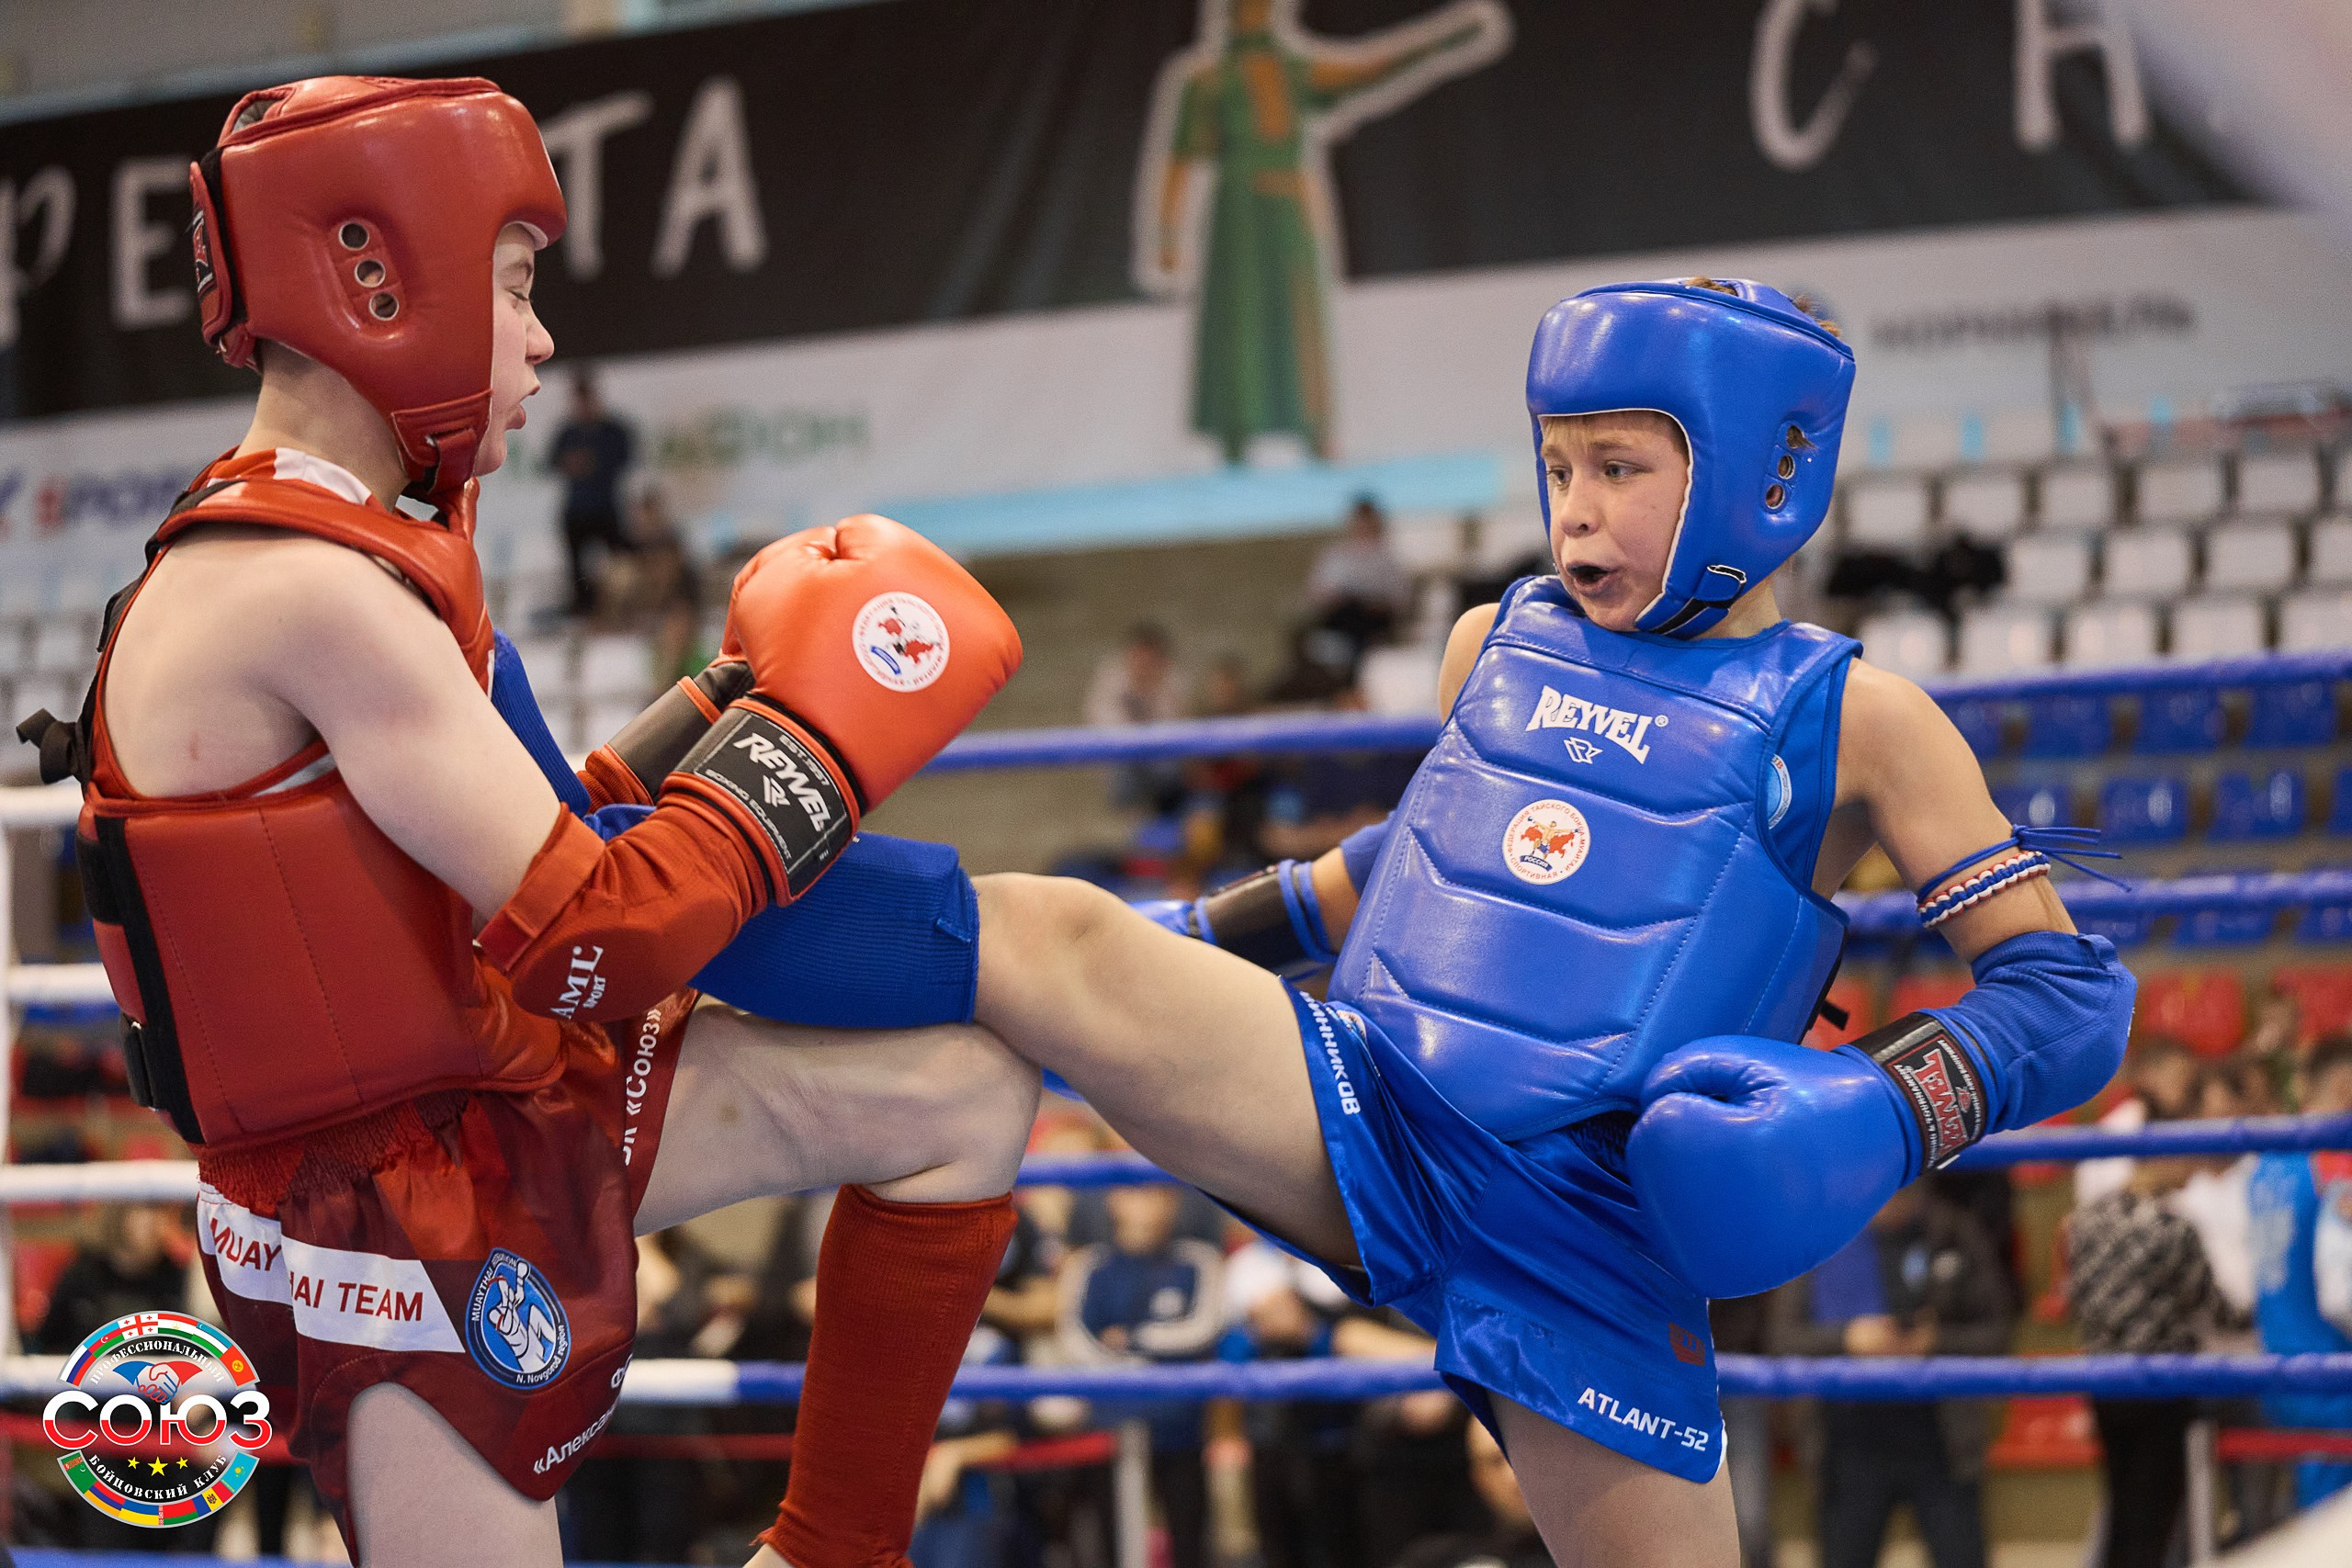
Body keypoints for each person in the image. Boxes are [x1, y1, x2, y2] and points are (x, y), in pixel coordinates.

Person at [14, 76, 1035, 1568]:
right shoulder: (301, 587)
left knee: (955, 1096)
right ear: (382, 273)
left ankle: (834, 1548)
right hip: (385, 1200)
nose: (545, 336)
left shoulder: (387, 540)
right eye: (514, 285)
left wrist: (722, 702)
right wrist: (810, 740)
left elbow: (523, 850)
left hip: (495, 1078)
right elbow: (606, 932)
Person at [954, 278, 2134, 1567]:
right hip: (1370, 1109)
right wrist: (1183, 929)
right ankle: (742, 915)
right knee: (1036, 938)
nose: (1573, 502)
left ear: (1764, 474)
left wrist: (1880, 1107)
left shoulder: (1855, 717)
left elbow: (2064, 996)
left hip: (1584, 1224)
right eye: (1558, 459)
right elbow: (1402, 862)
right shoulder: (1495, 645)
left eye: (1619, 463)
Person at [1767, 1182, 2012, 1568]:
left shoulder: (1954, 1231)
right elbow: (1782, 1338)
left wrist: (1935, 1342)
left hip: (1941, 1440)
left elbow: (1996, 1334)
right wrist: (1848, 1339)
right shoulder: (1824, 1236)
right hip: (1847, 1443)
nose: (1893, 1205)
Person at [2069, 1140, 2239, 1568]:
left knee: (2124, 1506)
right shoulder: (2170, 1226)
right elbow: (2214, 1308)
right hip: (2160, 1384)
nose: (2193, 1173)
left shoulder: (2087, 1219)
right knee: (2151, 1517)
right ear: (2163, 1156)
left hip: (2104, 1380)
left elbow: (2078, 1298)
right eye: (2187, 1159)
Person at [1058, 1183, 1227, 1568]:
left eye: (1161, 1192)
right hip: (1109, 1423)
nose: (1152, 1203)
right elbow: (1073, 1337)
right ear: (1113, 1199)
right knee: (1113, 1540)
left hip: (1178, 1421)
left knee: (1190, 1539)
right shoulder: (1091, 1264)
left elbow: (1205, 1325)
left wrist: (1132, 1339)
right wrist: (1135, 1365)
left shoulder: (1196, 1260)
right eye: (1139, 1191)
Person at [2247, 1035, 2352, 1507]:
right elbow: (2342, 1297)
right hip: (2333, 1377)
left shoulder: (2269, 1163)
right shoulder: (2332, 1162)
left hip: (2283, 1366)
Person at [30, 1201, 189, 1352]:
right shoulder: (83, 1273)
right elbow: (49, 1344)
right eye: (150, 1209)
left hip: (156, 1378)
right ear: (120, 1215)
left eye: (164, 1212)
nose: (159, 1223)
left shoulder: (174, 1277)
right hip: (87, 1377)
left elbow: (192, 1352)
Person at [1390, 1420, 1554, 1568]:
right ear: (1479, 1479)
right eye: (1495, 1461)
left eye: (1521, 1457)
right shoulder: (1435, 1559)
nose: (1512, 1476)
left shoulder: (1577, 1554)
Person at [548, 367, 637, 616]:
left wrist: (594, 463)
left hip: (605, 506)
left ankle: (621, 605)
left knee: (618, 561)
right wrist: (571, 464)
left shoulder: (611, 430)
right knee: (576, 566)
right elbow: (552, 462)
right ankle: (583, 606)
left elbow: (624, 458)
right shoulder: (568, 432)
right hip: (577, 509)